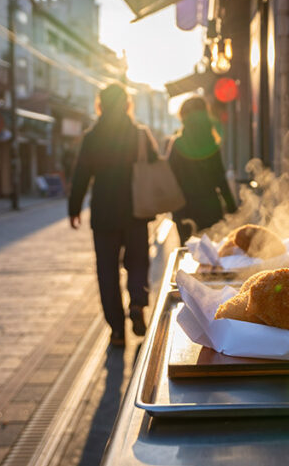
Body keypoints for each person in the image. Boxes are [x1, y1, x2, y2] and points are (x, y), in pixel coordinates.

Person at [68, 84, 159, 347]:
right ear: (126, 104)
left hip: (104, 212)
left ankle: (117, 331)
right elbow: (154, 166)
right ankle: (138, 304)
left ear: (101, 105)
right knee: (138, 261)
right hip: (136, 210)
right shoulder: (139, 134)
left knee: (107, 270)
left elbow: (81, 175)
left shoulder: (92, 136)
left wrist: (74, 208)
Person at [166, 96, 237, 243]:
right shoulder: (210, 145)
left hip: (184, 209)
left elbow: (169, 178)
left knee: (188, 254)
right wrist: (233, 209)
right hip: (210, 208)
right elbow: (220, 180)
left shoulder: (177, 144)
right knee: (212, 255)